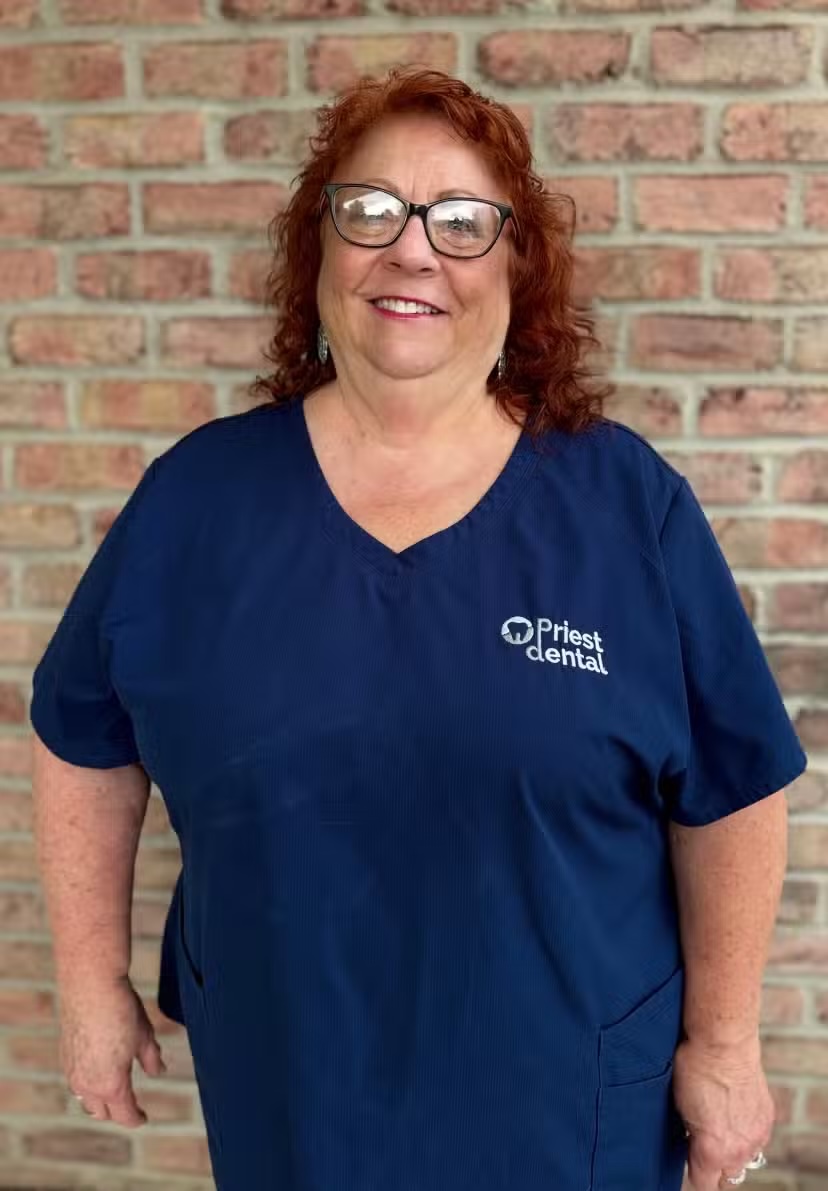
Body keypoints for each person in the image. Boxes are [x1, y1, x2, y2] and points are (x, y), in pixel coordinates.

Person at [29, 67, 806, 1191]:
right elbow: (80, 732)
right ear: (320, 249)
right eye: (371, 211)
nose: (412, 251)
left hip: (566, 1107)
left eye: (460, 222)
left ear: (514, 265)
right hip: (292, 1094)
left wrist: (726, 1046)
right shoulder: (198, 502)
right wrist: (88, 977)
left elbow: (734, 784)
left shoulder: (622, 505)